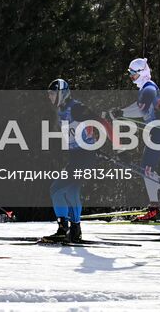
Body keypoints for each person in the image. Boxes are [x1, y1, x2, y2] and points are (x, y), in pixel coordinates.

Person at [45, 78, 99, 245]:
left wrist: (94, 128)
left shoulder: (75, 107)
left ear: (62, 93)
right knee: (72, 191)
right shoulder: (62, 110)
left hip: (84, 157)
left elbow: (96, 118)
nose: (50, 97)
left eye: (52, 93)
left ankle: (63, 230)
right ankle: (75, 231)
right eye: (49, 94)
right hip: (77, 157)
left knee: (57, 189)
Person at [115, 57, 160, 222]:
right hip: (156, 132)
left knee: (147, 169)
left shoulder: (149, 88)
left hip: (159, 132)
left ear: (142, 72)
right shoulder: (146, 88)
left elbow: (140, 111)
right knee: (148, 169)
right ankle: (157, 201)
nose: (130, 76)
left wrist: (121, 114)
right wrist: (121, 111)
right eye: (129, 73)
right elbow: (138, 107)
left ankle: (155, 207)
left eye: (132, 73)